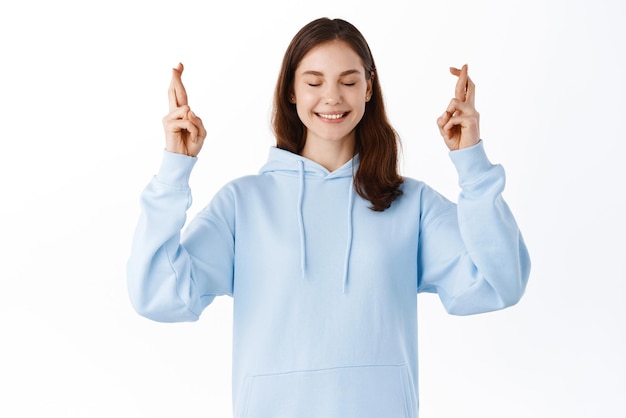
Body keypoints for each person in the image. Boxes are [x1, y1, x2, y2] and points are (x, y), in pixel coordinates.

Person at [127, 17, 530, 418]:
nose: (332, 97)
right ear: (291, 90)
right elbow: (158, 294)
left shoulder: (411, 202)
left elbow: (499, 283)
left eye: (349, 82)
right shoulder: (242, 203)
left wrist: (471, 162)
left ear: (369, 88)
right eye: (314, 82)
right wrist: (174, 169)